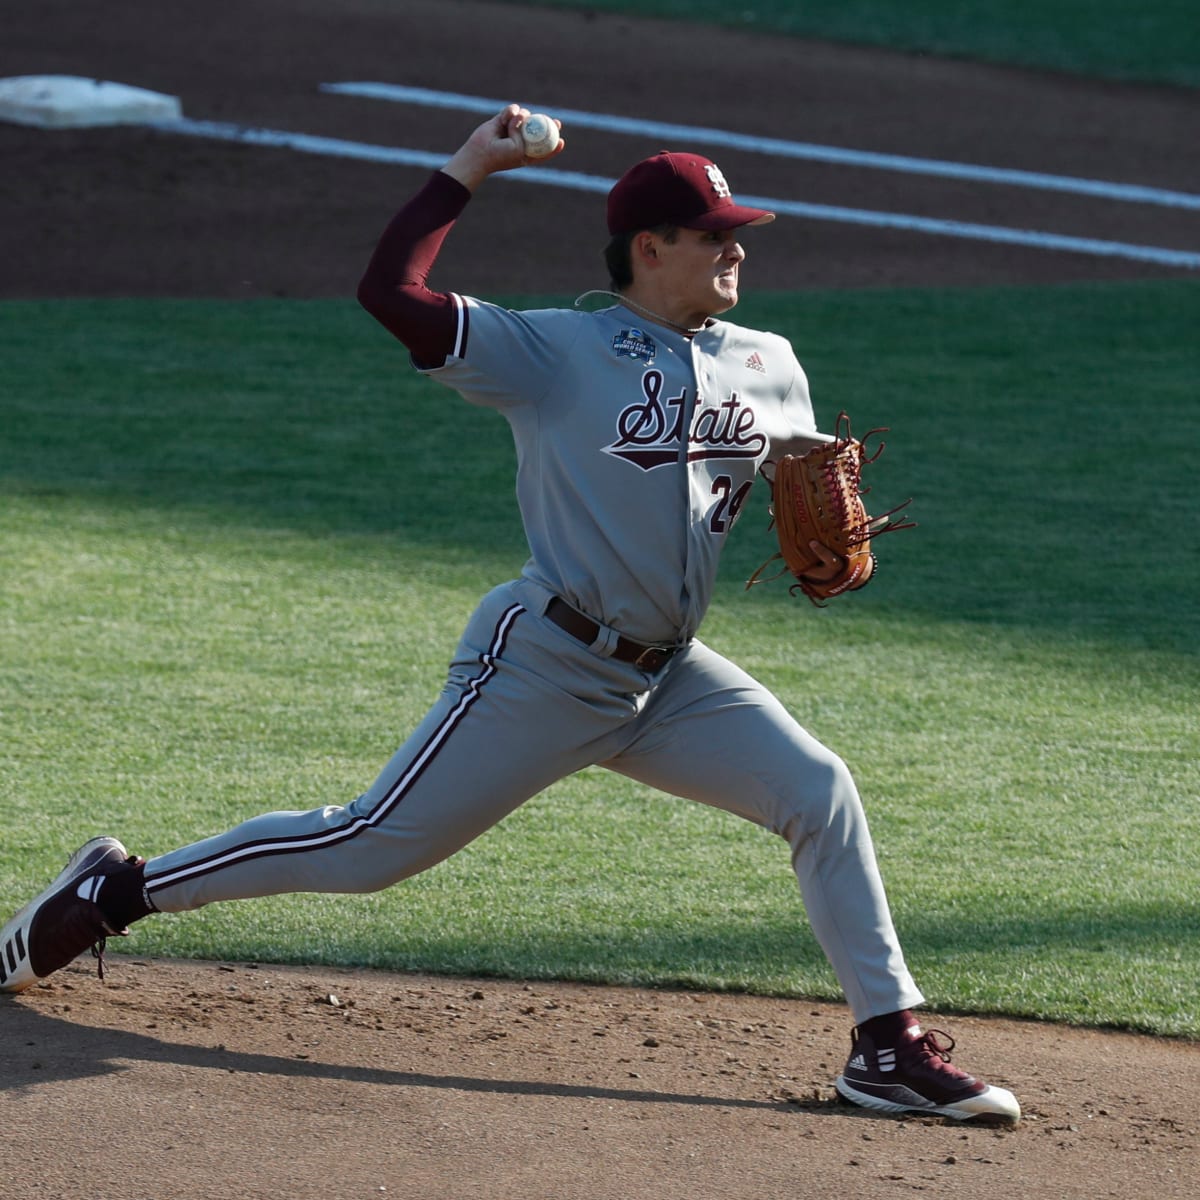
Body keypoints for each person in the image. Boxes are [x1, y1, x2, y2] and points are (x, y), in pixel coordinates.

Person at [0, 105, 1018, 1123]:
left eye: (739, 232)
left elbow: (780, 464)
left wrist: (812, 497)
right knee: (367, 848)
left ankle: (886, 1048)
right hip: (544, 662)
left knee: (820, 790)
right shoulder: (552, 350)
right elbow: (389, 293)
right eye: (713, 234)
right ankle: (116, 893)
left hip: (669, 677)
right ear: (649, 248)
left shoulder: (771, 360)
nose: (735, 248)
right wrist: (468, 168)